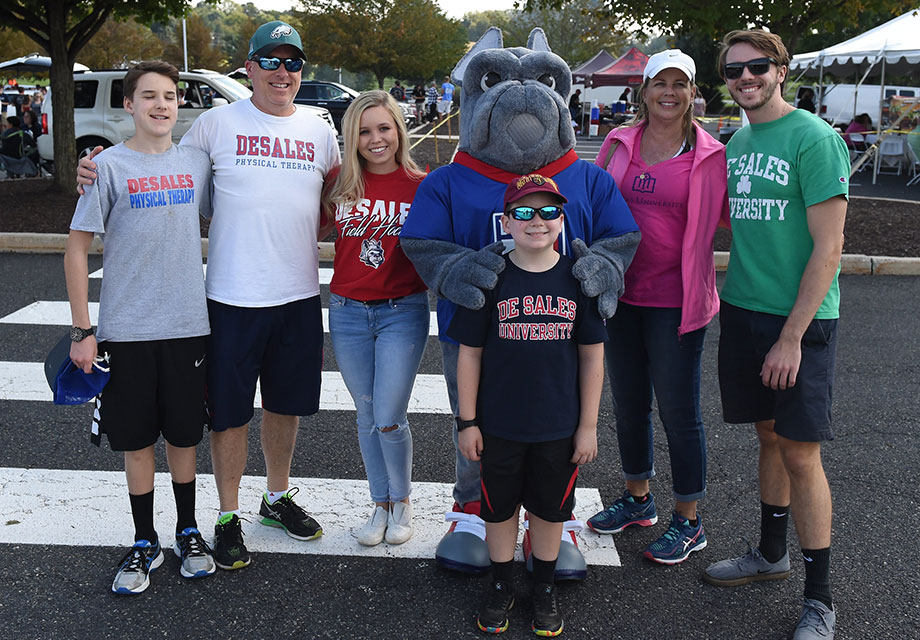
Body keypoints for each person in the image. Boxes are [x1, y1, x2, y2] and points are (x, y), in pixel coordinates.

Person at [79, 20, 341, 572]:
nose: (282, 72)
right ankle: (226, 515)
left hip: (297, 294)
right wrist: (96, 164)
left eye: (292, 62)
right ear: (248, 68)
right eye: (270, 60)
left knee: (285, 404)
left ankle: (276, 496)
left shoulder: (320, 130)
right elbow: (159, 157)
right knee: (228, 413)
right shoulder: (217, 124)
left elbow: (343, 195)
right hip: (228, 296)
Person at [400, 28, 640, 580]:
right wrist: (455, 268)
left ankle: (553, 524)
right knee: (478, 430)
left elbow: (620, 237)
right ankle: (473, 516)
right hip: (478, 339)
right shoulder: (449, 180)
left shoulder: (585, 178)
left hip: (562, 342)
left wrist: (604, 266)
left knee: (560, 435)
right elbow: (422, 243)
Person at [704, 30, 848, 640]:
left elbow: (830, 246)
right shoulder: (737, 143)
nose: (746, 78)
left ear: (781, 70)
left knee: (800, 451)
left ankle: (821, 600)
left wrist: (792, 335)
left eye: (757, 67)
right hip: (743, 310)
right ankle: (770, 554)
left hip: (800, 323)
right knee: (767, 439)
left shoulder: (815, 138)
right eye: (735, 70)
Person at [63, 60, 216, 595]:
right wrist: (84, 331)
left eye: (170, 96)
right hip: (126, 331)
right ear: (128, 106)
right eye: (148, 96)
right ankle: (144, 540)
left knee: (182, 437)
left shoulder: (196, 162)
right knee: (134, 444)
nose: (161, 105)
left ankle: (189, 531)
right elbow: (77, 249)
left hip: (187, 328)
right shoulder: (107, 167)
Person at [587, 49, 729, 565]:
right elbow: (591, 200)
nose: (669, 92)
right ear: (643, 91)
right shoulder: (617, 141)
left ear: (694, 93)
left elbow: (741, 219)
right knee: (627, 405)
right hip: (621, 295)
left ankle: (690, 522)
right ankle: (638, 499)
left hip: (678, 301)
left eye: (680, 84)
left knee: (679, 413)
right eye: (659, 83)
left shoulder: (713, 154)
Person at [448, 174, 606, 636]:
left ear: (562, 219)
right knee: (498, 509)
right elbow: (470, 355)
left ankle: (544, 584)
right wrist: (468, 421)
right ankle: (501, 583)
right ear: (506, 221)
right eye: (522, 212)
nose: (536, 221)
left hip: (559, 424)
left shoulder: (578, 281)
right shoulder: (491, 280)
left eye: (547, 211)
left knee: (550, 509)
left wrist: (589, 426)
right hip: (499, 424)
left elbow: (593, 355)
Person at [321, 90, 429, 546]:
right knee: (365, 416)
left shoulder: (422, 185)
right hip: (346, 312)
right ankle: (379, 505)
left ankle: (402, 501)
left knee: (388, 415)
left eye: (384, 128)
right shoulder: (338, 181)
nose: (375, 138)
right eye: (364, 131)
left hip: (401, 311)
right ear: (352, 136)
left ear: (399, 130)